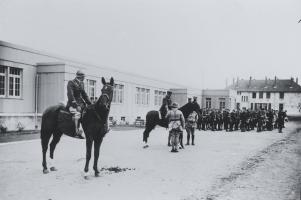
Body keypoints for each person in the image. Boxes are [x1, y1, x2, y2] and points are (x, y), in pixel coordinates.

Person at [67, 70, 92, 139]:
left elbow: (84, 95)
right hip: (73, 103)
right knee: (77, 115)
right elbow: (70, 95)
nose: (84, 78)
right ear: (80, 77)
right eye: (83, 77)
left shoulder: (82, 83)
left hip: (81, 103)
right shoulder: (71, 83)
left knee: (89, 113)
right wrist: (76, 105)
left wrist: (90, 103)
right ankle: (76, 132)